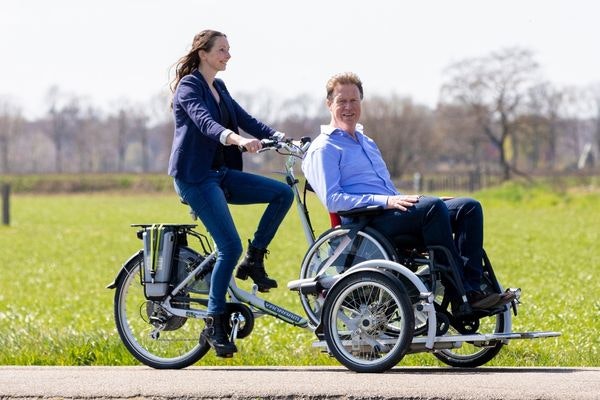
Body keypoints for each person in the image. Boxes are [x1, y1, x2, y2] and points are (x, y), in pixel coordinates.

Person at [301, 72, 514, 316]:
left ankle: (473, 291)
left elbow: (389, 192)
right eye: (342, 101)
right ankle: (461, 295)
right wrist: (388, 201)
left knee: (468, 206)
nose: (348, 107)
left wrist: (418, 199)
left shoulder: (366, 142)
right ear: (329, 104)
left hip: (388, 212)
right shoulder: (324, 147)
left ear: (361, 102)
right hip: (364, 225)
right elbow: (333, 199)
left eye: (354, 101)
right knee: (433, 209)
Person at [168, 30, 294, 357]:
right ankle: (214, 319)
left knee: (282, 194)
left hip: (221, 174)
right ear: (204, 53)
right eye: (222, 50)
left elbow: (244, 118)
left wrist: (280, 137)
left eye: (228, 49)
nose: (228, 55)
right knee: (228, 246)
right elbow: (204, 122)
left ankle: (254, 259)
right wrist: (234, 139)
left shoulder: (219, 87)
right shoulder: (189, 87)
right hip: (195, 178)